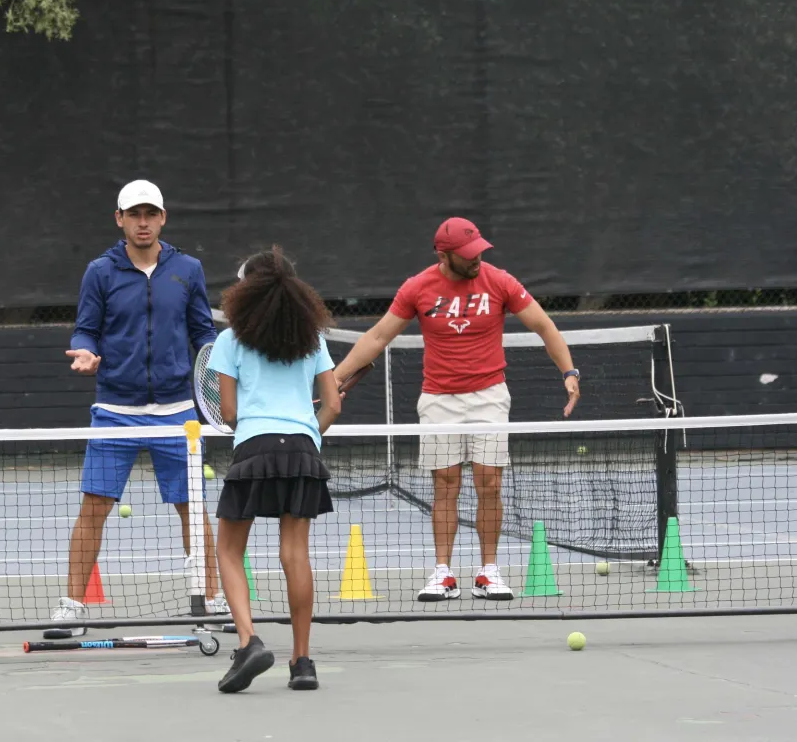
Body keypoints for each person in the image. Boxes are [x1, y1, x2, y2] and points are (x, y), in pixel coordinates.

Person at [334, 217, 580, 602]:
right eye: (468, 255)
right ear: (443, 254)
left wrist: (569, 371)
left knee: (490, 483)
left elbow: (544, 326)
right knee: (445, 484)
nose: (477, 259)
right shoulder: (417, 287)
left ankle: (488, 572)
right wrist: (336, 377)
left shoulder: (499, 281)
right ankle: (443, 574)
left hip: (490, 397)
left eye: (479, 251)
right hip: (439, 400)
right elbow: (378, 335)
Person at [51, 179, 226, 638]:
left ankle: (211, 599)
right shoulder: (100, 272)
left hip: (177, 414)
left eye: (151, 214)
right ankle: (72, 604)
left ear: (163, 218)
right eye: (134, 215)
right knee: (95, 506)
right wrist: (85, 352)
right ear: (120, 220)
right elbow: (85, 329)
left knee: (193, 507)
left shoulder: (187, 269)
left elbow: (203, 332)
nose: (143, 222)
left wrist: (215, 367)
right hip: (114, 410)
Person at [208, 246, 341, 694]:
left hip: (255, 448)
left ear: (245, 294)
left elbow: (229, 413)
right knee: (295, 555)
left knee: (228, 550)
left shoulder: (229, 342)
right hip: (303, 450)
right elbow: (334, 404)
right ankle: (302, 662)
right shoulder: (313, 340)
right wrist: (309, 432)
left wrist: (258, 427)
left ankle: (249, 642)